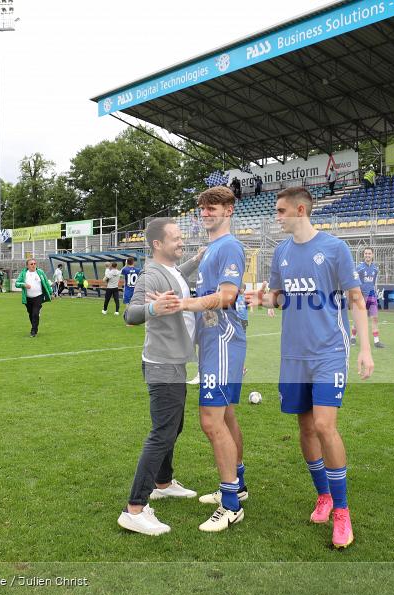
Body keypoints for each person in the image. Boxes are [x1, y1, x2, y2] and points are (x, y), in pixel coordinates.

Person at [246, 186, 374, 549]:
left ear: (300, 210)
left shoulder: (335, 249)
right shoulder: (281, 252)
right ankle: (324, 495)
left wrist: (365, 349)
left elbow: (356, 301)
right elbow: (279, 296)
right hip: (293, 355)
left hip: (329, 351)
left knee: (324, 425)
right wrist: (261, 296)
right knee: (305, 428)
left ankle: (343, 511)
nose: (277, 217)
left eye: (281, 211)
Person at [154, 186, 247, 533]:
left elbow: (227, 296)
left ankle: (231, 505)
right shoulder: (212, 250)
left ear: (229, 211)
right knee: (227, 417)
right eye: (203, 208)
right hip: (216, 343)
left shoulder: (230, 246)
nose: (206, 213)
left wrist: (185, 305)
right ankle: (238, 485)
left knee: (211, 422)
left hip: (222, 341)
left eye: (214, 208)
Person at [117, 218, 203, 536]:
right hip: (162, 364)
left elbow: (180, 277)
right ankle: (135, 509)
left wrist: (198, 258)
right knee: (162, 433)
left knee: (173, 426)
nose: (182, 242)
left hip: (174, 361)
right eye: (176, 239)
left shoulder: (171, 269)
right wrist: (153, 310)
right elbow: (130, 314)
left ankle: (163, 483)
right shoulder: (151, 273)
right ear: (157, 244)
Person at [351, 247, 384, 348]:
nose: (367, 255)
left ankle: (376, 341)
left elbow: (373, 283)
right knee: (359, 318)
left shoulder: (375, 269)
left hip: (371, 296)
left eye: (369, 254)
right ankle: (353, 337)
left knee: (374, 318)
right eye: (366, 253)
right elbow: (355, 282)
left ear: (372, 255)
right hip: (361, 296)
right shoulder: (359, 268)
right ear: (364, 255)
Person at [15, 259, 52, 337]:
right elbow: (17, 283)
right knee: (31, 314)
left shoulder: (40, 272)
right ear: (27, 266)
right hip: (28, 298)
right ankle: (34, 326)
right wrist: (24, 284)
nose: (33, 265)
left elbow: (46, 283)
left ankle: (33, 331)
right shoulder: (24, 273)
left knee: (35, 313)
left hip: (38, 297)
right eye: (31, 264)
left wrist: (51, 293)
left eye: (34, 263)